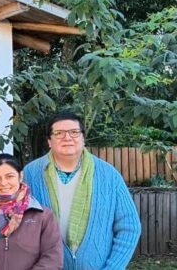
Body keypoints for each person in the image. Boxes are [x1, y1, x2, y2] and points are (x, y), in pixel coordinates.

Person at [23, 112, 140, 269]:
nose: (67, 138)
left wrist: (113, 268)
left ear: (83, 138)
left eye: (74, 132)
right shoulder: (31, 173)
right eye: (59, 133)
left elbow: (130, 227)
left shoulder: (108, 175)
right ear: (49, 141)